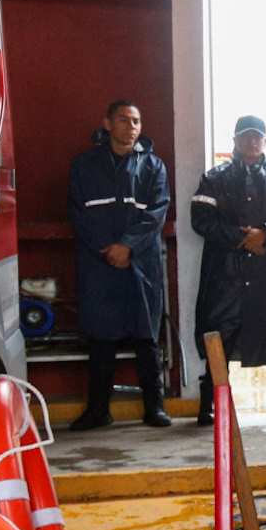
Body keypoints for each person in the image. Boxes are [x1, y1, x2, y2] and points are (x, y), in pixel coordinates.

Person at [191, 115, 266, 423]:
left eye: (257, 137)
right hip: (224, 274)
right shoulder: (214, 179)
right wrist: (243, 238)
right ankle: (212, 404)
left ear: (265, 142)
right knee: (220, 334)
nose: (252, 142)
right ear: (235, 140)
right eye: (246, 136)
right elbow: (201, 218)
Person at [68, 100, 172, 430]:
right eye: (124, 120)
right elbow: (78, 214)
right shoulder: (84, 166)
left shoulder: (154, 166)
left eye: (137, 121)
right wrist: (108, 249)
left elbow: (157, 212)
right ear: (108, 124)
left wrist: (127, 246)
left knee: (146, 338)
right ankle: (98, 410)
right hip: (99, 264)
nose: (131, 127)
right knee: (101, 339)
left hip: (141, 264)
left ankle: (155, 408)